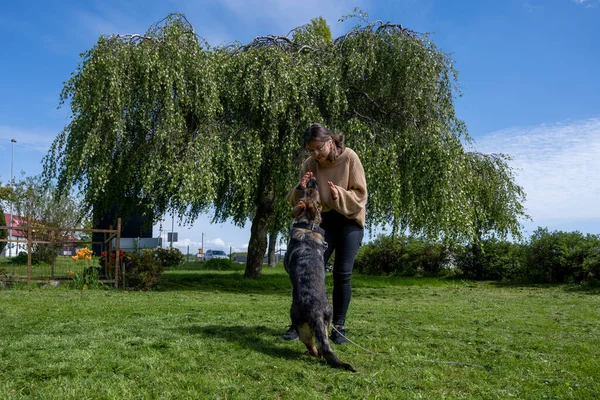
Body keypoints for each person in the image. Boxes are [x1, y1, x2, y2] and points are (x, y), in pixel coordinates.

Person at [282, 123, 368, 344]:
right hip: (324, 221)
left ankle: (338, 327)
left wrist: (339, 193)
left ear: (330, 141)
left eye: (319, 149)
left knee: (342, 273)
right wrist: (300, 188)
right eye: (310, 150)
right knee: (305, 271)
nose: (315, 154)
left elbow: (361, 195)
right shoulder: (309, 164)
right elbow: (296, 201)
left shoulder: (349, 158)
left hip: (350, 220)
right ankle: (298, 323)